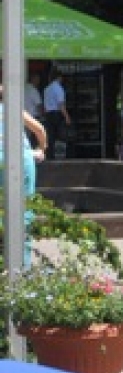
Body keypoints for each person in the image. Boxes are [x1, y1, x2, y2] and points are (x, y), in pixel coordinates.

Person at [0, 84, 48, 266]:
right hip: (21, 159)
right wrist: (40, 149)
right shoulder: (12, 109)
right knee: (24, 210)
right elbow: (39, 130)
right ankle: (22, 266)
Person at [43, 67, 71, 160]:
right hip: (57, 114)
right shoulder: (58, 88)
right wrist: (67, 117)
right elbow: (61, 104)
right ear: (59, 77)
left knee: (50, 137)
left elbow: (45, 105)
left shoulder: (46, 89)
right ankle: (60, 156)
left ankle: (50, 156)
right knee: (61, 137)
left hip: (48, 114)